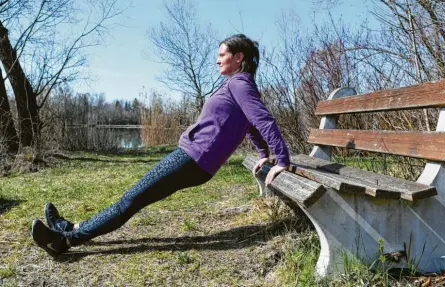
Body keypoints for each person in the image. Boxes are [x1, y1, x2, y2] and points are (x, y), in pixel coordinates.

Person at [31, 34, 290, 256]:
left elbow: (262, 119)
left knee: (130, 200)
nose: (217, 59)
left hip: (193, 158)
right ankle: (70, 228)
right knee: (133, 199)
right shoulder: (239, 84)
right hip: (196, 160)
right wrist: (263, 154)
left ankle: (64, 241)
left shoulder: (239, 84)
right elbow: (251, 124)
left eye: (222, 54)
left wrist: (282, 159)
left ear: (238, 57)